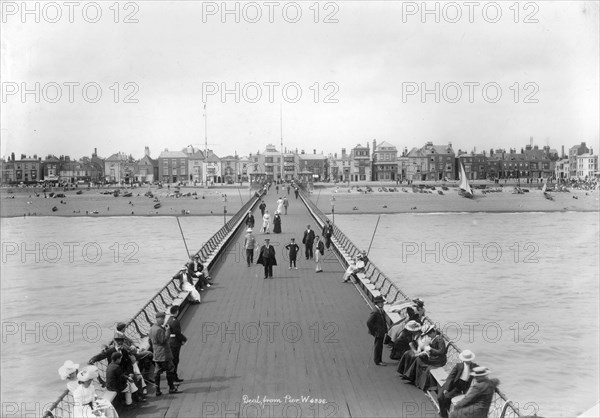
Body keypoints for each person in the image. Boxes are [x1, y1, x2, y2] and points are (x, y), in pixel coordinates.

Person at [403, 325, 447, 390]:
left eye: (429, 334)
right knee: (418, 359)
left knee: (420, 359)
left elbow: (441, 351)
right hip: (434, 357)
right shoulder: (434, 338)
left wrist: (430, 349)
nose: (428, 336)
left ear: (433, 332)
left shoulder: (440, 339)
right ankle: (413, 378)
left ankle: (416, 380)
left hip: (438, 359)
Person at [438, 350, 478, 418]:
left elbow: (481, 371)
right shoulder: (458, 366)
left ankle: (445, 413)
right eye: (467, 360)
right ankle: (444, 413)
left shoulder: (473, 366)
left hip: (464, 386)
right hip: (455, 384)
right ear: (464, 360)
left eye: (470, 360)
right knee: (441, 396)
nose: (469, 361)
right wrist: (447, 388)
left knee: (447, 397)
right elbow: (451, 377)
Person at [149, 312, 182, 396]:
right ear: (159, 319)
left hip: (157, 353)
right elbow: (163, 340)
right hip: (163, 353)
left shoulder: (153, 328)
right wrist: (167, 331)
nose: (163, 321)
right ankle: (171, 388)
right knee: (170, 369)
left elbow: (151, 340)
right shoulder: (159, 329)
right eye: (162, 319)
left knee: (157, 372)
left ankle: (157, 390)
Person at [167, 305, 187, 383]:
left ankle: (174, 376)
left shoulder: (169, 320)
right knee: (175, 360)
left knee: (174, 360)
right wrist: (184, 339)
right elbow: (177, 333)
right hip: (174, 343)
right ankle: (174, 377)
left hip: (171, 341)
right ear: (177, 312)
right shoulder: (175, 321)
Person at [366, 295, 388, 366]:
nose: (382, 304)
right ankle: (378, 361)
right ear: (377, 303)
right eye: (381, 302)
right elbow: (369, 322)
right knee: (378, 346)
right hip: (378, 332)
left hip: (381, 332)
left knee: (379, 346)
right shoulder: (375, 312)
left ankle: (379, 360)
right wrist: (374, 331)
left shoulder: (380, 310)